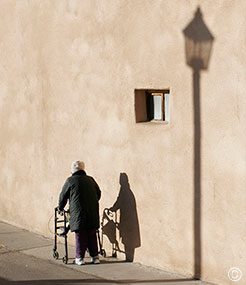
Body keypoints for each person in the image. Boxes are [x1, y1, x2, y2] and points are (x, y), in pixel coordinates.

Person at [58, 160, 101, 265]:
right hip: (92, 212)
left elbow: (63, 196)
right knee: (92, 234)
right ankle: (95, 257)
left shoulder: (70, 181)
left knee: (80, 235)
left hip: (78, 213)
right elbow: (98, 193)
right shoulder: (91, 180)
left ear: (72, 170)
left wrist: (60, 207)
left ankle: (79, 258)